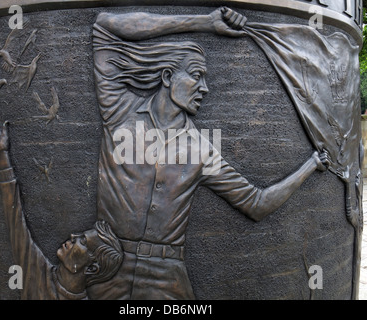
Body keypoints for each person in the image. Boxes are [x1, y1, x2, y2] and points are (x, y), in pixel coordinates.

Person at [90, 7, 331, 300]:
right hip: (105, 265)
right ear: (167, 76)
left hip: (166, 277)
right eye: (196, 76)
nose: (205, 88)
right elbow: (105, 25)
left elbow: (255, 203)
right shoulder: (118, 109)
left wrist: (310, 165)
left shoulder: (201, 150)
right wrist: (203, 22)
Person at [0, 113, 123, 300]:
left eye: (84, 242)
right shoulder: (39, 274)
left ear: (92, 267)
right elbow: (16, 224)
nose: (73, 236)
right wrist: (1, 156)